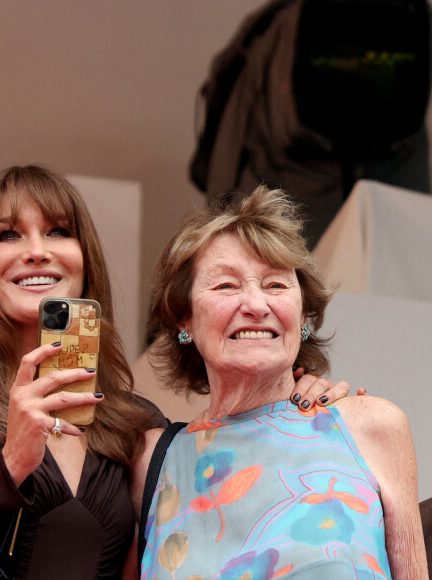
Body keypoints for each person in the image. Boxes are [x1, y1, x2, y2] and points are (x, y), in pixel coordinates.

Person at [0, 165, 351, 580]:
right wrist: (9, 467)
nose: (37, 250)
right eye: (8, 234)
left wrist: (292, 399)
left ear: (84, 256)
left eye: (58, 231)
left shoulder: (135, 425)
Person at [131, 185, 428, 579]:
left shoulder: (371, 427)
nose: (256, 305)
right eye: (226, 285)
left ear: (303, 316)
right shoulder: (152, 460)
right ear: (185, 320)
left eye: (275, 285)